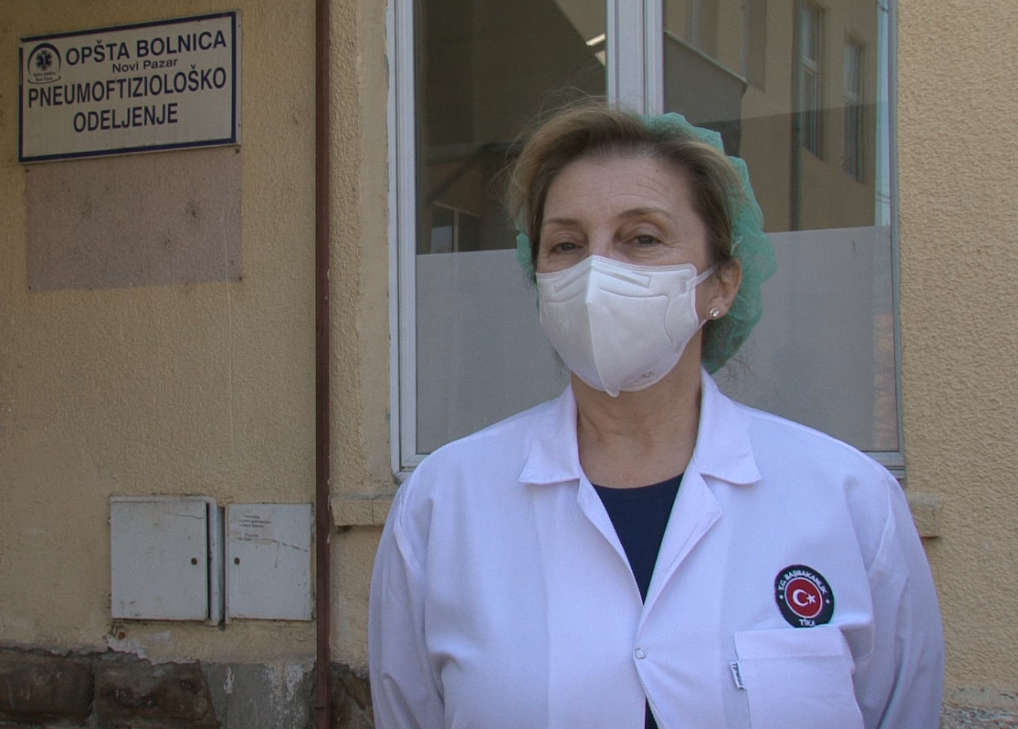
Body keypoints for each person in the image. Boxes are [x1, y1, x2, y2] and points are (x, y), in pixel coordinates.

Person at [369, 102, 944, 729]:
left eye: (642, 238)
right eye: (566, 245)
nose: (596, 272)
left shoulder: (849, 499)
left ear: (721, 285)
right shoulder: (443, 502)